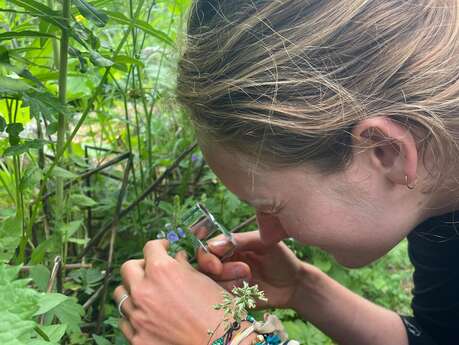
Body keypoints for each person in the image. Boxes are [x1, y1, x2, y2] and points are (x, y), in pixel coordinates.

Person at [113, 0, 459, 344]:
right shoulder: (436, 191)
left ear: (385, 151)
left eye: (273, 207)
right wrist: (301, 287)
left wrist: (229, 339)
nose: (268, 234)